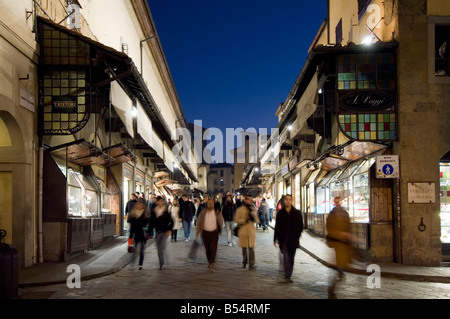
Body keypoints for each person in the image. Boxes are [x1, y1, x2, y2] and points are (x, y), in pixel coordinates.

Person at [326, 196, 354, 299]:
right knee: (339, 266)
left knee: (341, 266)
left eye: (339, 202)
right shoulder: (331, 215)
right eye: (336, 202)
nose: (337, 204)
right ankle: (331, 290)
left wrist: (348, 235)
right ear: (334, 203)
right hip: (337, 244)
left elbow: (349, 226)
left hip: (345, 244)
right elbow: (329, 229)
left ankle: (338, 277)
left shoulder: (345, 214)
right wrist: (340, 234)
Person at [273, 194, 303, 283]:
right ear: (284, 201)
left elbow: (301, 226)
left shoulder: (297, 213)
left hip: (293, 239)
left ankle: (289, 274)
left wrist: (297, 234)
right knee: (286, 257)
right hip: (284, 239)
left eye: (290, 199)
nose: (288, 201)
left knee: (292, 258)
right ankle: (287, 275)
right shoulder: (280, 213)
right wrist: (275, 239)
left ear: (292, 201)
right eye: (286, 199)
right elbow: (277, 227)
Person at [196, 198, 224, 272]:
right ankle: (209, 261)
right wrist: (197, 233)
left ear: (214, 204)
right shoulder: (203, 212)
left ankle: (212, 263)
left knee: (213, 248)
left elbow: (221, 220)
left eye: (212, 203)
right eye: (209, 203)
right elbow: (199, 222)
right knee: (207, 248)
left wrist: (220, 228)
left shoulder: (217, 212)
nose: (211, 205)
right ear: (207, 204)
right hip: (205, 232)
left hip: (214, 232)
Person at [234, 194, 260, 270]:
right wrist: (244, 220)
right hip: (243, 231)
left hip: (251, 231)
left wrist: (255, 217)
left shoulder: (253, 209)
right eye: (248, 199)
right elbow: (236, 219)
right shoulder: (240, 209)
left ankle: (251, 264)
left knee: (251, 248)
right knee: (244, 248)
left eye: (251, 199)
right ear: (245, 200)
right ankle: (244, 262)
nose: (250, 201)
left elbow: (258, 221)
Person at [147, 196, 173, 270]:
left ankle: (162, 264)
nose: (160, 203)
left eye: (162, 201)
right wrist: (149, 232)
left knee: (161, 248)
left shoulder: (166, 211)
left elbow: (171, 221)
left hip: (164, 232)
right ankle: (161, 261)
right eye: (159, 201)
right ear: (157, 202)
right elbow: (151, 223)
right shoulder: (154, 212)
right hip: (157, 231)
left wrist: (169, 229)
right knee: (159, 249)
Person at [127, 200, 149, 270]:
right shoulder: (133, 215)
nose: (140, 206)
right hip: (135, 234)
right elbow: (132, 227)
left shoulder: (145, 215)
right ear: (136, 206)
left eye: (141, 205)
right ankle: (132, 263)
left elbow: (147, 225)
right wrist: (130, 236)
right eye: (139, 205)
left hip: (142, 234)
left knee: (142, 250)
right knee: (135, 250)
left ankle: (140, 264)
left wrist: (147, 233)